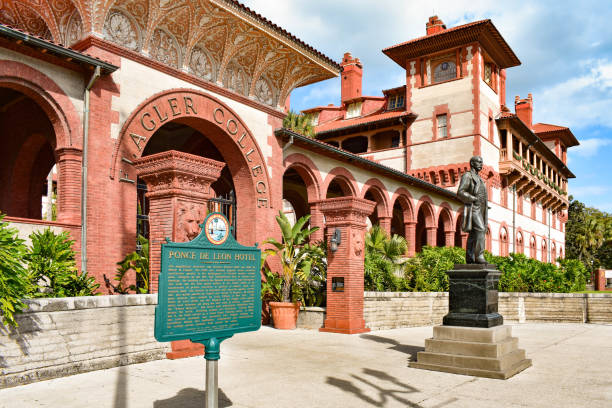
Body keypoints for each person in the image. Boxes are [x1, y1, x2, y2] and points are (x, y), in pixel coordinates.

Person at [458, 156, 488, 264]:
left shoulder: (479, 178)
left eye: (482, 162)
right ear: (472, 163)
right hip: (473, 208)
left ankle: (470, 257)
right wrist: (473, 199)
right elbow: (460, 192)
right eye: (479, 162)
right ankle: (479, 256)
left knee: (474, 234)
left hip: (481, 208)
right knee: (480, 229)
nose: (481, 164)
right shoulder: (467, 175)